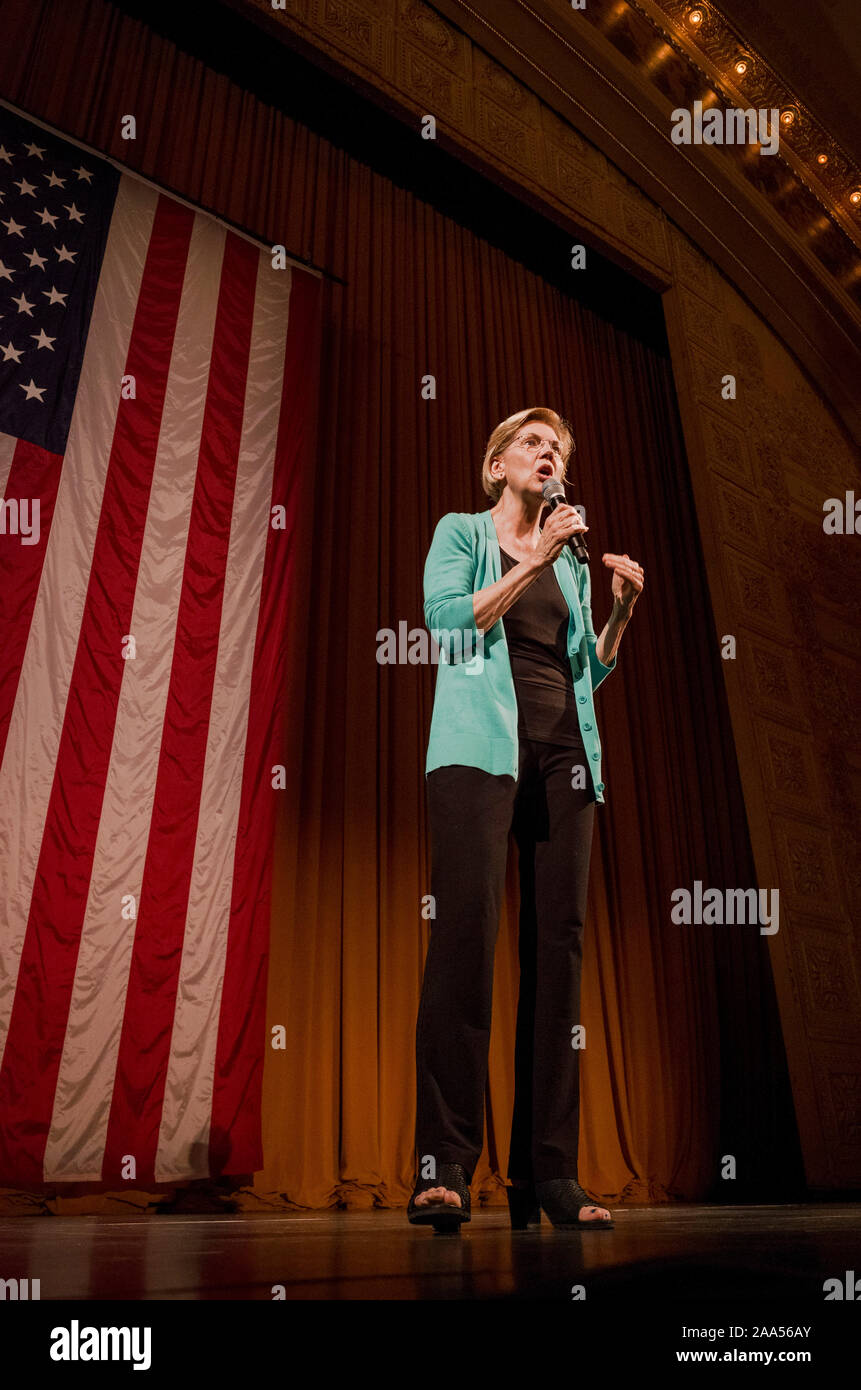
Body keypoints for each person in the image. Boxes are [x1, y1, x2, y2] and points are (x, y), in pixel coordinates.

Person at [407, 408, 643, 1233]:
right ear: (498, 462)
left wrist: (615, 611)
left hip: (566, 757)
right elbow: (444, 624)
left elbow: (587, 670)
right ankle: (442, 1167)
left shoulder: (572, 565)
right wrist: (530, 559)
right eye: (536, 445)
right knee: (464, 937)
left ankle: (550, 1175)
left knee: (559, 953)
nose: (550, 457)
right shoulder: (462, 532)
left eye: (561, 451)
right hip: (477, 750)